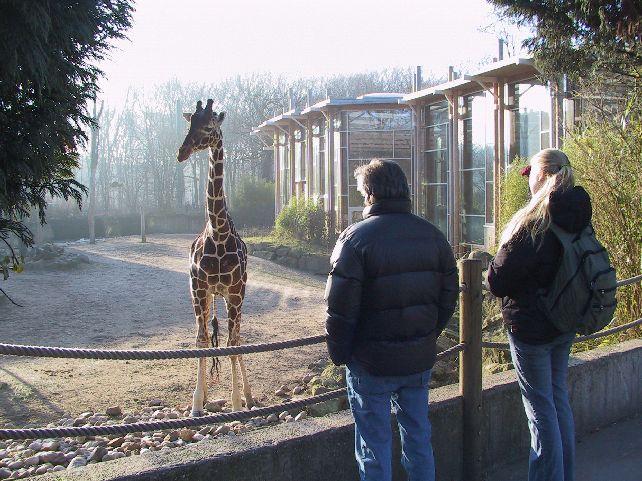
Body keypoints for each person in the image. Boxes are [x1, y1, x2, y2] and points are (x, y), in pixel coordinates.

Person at [324, 159, 458, 481]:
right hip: (418, 359)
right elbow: (448, 297)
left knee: (373, 446)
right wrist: (427, 335)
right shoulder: (434, 236)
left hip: (370, 362)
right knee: (418, 438)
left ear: (370, 194)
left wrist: (340, 354)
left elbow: (339, 308)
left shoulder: (353, 240)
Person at [487, 148, 592, 481]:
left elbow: (497, 280)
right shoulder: (578, 214)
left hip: (531, 327)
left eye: (530, 172)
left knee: (540, 411)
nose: (528, 179)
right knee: (557, 399)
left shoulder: (533, 222)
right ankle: (565, 474)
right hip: (564, 320)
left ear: (543, 175)